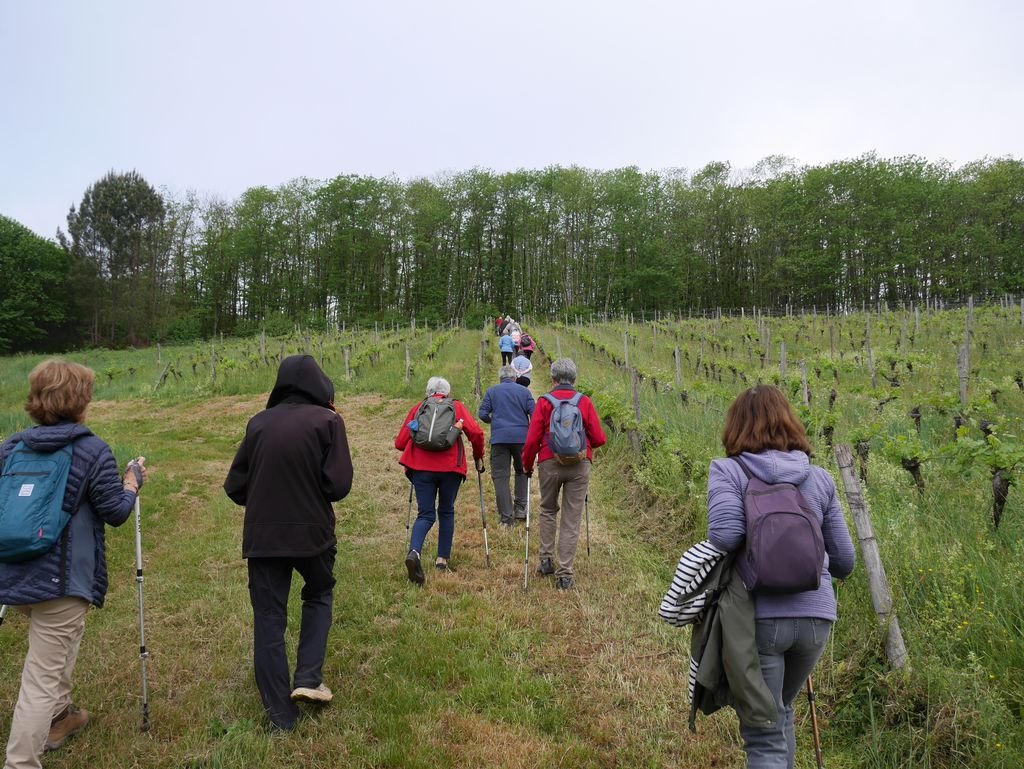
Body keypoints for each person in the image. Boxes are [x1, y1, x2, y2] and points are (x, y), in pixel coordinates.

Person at [0, 359, 147, 769]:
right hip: (62, 580)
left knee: (64, 639)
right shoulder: (91, 450)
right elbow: (115, 512)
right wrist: (131, 484)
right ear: (81, 401)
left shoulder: (11, 447)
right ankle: (21, 762)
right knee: (40, 677)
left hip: (14, 571)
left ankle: (61, 716)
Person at [706, 386, 854, 769]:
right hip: (816, 618)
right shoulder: (819, 478)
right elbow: (845, 561)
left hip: (759, 617)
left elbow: (725, 536)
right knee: (780, 710)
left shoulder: (729, 470)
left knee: (764, 732)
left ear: (736, 427)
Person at [224, 355, 353, 732]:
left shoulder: (258, 423)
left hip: (262, 537)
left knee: (268, 617)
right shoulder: (328, 421)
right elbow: (338, 485)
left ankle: (280, 716)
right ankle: (308, 677)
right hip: (313, 535)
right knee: (319, 592)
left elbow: (235, 486)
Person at [522, 358, 606, 590]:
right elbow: (599, 438)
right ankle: (565, 574)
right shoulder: (584, 402)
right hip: (579, 465)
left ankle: (546, 560)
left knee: (548, 509)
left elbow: (531, 440)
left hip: (549, 462)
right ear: (574, 379)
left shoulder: (544, 402)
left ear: (553, 379)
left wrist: (527, 465)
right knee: (571, 518)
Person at [395, 377, 486, 582]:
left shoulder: (419, 408)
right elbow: (476, 433)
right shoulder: (457, 407)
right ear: (447, 392)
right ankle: (442, 559)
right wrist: (477, 455)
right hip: (450, 468)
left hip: (421, 468)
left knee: (425, 514)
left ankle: (414, 552)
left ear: (428, 392)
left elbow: (400, 443)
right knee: (446, 510)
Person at [478, 365, 535, 527]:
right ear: (515, 378)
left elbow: (482, 414)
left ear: (500, 378)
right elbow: (534, 413)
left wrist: (493, 420)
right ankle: (521, 509)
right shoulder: (524, 392)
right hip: (521, 438)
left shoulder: (492, 391)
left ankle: (506, 517)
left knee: (501, 476)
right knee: (522, 471)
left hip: (499, 439)